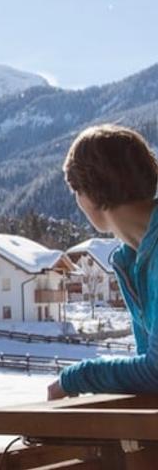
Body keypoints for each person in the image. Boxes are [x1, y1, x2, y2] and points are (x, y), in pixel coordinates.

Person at [49, 124, 158, 399]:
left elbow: (156, 372)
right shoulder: (133, 258)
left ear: (90, 194)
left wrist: (73, 379)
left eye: (76, 190)